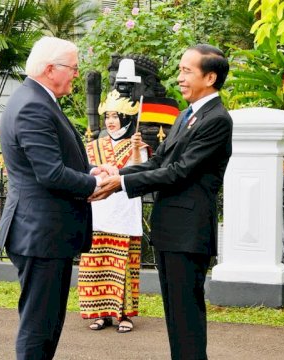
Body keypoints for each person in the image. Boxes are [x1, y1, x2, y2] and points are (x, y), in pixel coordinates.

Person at [91, 44, 233, 360]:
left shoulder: (216, 119)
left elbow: (180, 172)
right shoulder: (186, 115)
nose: (180, 77)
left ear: (209, 77)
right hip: (171, 231)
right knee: (175, 316)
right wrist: (118, 178)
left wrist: (122, 182)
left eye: (187, 71)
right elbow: (158, 163)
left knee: (186, 316)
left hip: (188, 232)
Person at [0, 36, 107, 360]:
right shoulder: (32, 105)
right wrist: (92, 183)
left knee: (46, 324)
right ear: (50, 69)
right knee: (38, 328)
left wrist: (92, 169)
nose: (76, 73)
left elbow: (54, 161)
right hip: (40, 234)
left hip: (43, 232)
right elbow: (50, 173)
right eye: (72, 67)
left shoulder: (38, 99)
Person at [78, 90, 149, 333]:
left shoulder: (138, 145)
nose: (110, 121)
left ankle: (125, 315)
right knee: (96, 265)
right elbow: (86, 172)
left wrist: (137, 150)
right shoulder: (94, 146)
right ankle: (101, 314)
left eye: (115, 116)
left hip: (124, 212)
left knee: (124, 265)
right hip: (99, 212)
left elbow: (141, 174)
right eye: (107, 116)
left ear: (125, 118)